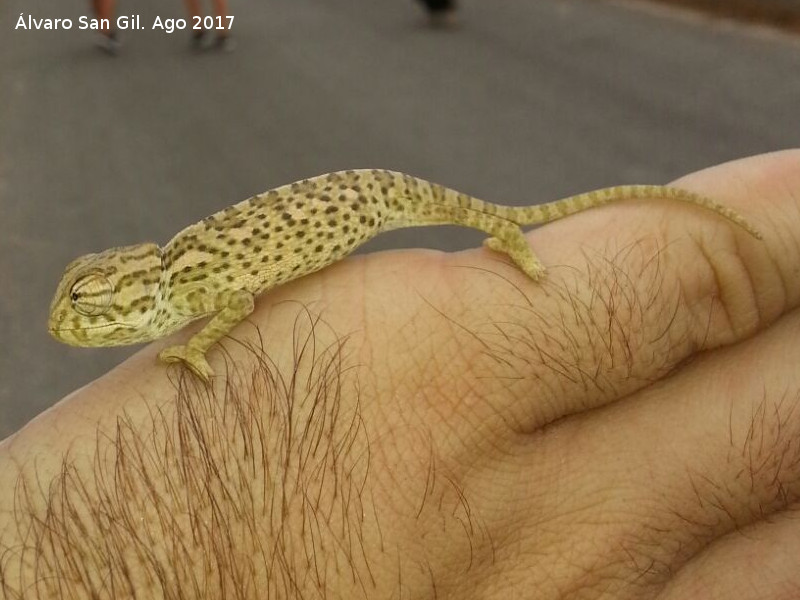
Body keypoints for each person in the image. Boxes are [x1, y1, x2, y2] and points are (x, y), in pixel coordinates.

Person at [1, 151, 797, 597]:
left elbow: (238, 302)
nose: (83, 322)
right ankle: (507, 230)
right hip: (350, 194)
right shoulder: (180, 275)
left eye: (96, 305)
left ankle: (509, 232)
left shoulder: (194, 285)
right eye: (90, 305)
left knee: (471, 214)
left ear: (135, 291)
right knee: (471, 215)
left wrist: (198, 347)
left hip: (357, 197)